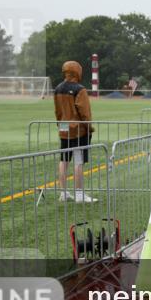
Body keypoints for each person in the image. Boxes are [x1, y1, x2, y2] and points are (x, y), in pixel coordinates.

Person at [54, 60, 97, 203]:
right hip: (79, 128)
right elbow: (84, 112)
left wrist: (60, 124)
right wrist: (89, 127)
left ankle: (63, 193)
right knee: (78, 161)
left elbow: (58, 111)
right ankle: (79, 194)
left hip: (64, 126)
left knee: (64, 160)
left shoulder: (58, 88)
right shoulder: (80, 89)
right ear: (77, 71)